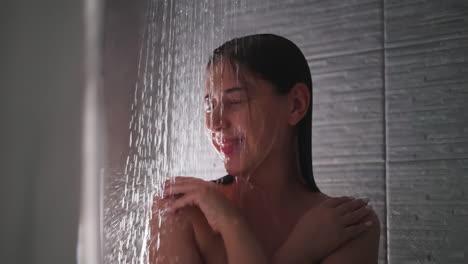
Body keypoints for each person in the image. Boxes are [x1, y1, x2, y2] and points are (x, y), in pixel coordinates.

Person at [150, 34, 380, 263]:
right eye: (209, 106)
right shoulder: (178, 209)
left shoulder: (349, 224)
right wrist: (297, 250)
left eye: (235, 101)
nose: (215, 123)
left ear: (295, 105)